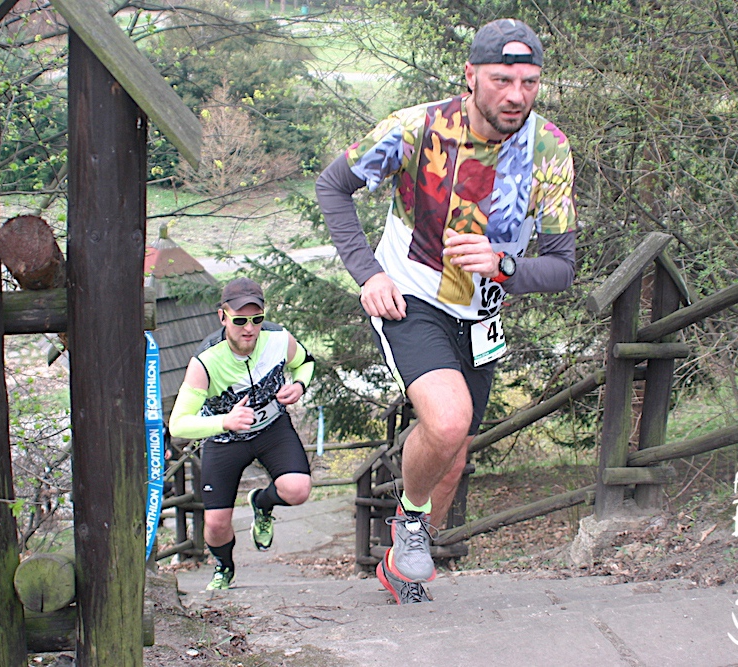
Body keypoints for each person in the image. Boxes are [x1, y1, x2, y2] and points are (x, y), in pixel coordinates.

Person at [315, 18, 576, 604]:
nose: (516, 95)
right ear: (471, 76)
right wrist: (369, 273)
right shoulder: (416, 128)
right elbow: (332, 186)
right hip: (409, 298)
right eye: (502, 79)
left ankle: (402, 562)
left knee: (453, 457)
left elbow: (562, 267)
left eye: (529, 82)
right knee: (449, 419)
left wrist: (504, 266)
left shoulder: (550, 148)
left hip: (481, 316)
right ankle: (410, 523)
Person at [168, 277, 315, 590]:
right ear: (222, 317)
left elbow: (305, 362)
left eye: (256, 319)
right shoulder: (205, 361)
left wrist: (300, 385)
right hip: (225, 440)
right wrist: (224, 421)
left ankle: (262, 503)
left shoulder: (278, 338)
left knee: (298, 490)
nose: (249, 328)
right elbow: (178, 424)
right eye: (239, 321)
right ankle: (224, 567)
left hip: (272, 429)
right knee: (216, 523)